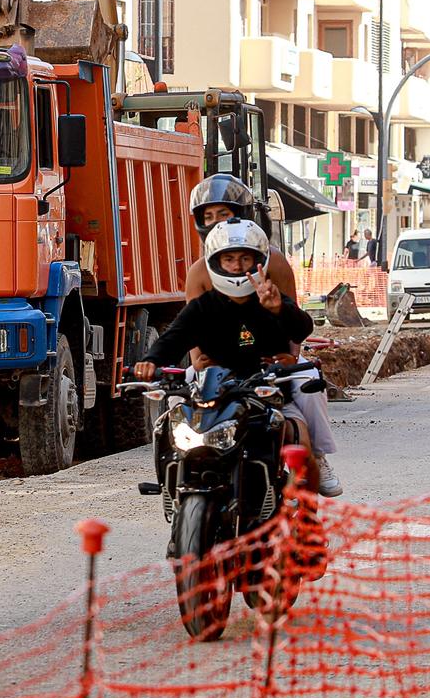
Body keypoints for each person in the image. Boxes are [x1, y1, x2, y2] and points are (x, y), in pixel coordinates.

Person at [181, 175, 339, 495]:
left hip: (270, 358)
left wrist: (291, 356)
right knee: (176, 395)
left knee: (308, 386)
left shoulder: (275, 262)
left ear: (242, 216)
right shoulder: (198, 272)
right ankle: (178, 464)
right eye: (207, 216)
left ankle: (318, 457)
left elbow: (292, 316)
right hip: (217, 361)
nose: (215, 223)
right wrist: (198, 360)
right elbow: (192, 329)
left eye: (223, 214)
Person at [135, 220, 319, 487]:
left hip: (266, 392)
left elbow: (302, 329)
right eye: (229, 258)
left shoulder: (269, 297)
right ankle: (174, 488)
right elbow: (174, 337)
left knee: (301, 443)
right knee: (169, 428)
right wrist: (150, 361)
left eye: (245, 258)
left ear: (259, 261)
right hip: (212, 394)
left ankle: (308, 518)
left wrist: (280, 309)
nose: (236, 266)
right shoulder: (203, 306)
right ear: (216, 262)